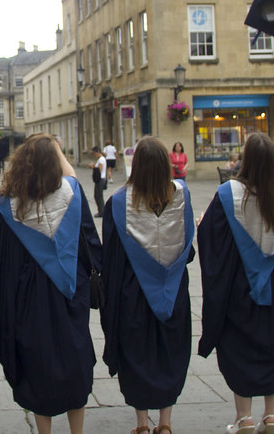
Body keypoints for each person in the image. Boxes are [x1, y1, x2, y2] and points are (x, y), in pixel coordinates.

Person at [0, 133, 101, 434]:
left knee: (37, 364)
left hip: (29, 299)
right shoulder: (73, 193)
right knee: (75, 359)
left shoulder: (6, 207)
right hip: (70, 293)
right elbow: (91, 242)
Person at [198, 133, 274, 434]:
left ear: (246, 158)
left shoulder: (230, 192)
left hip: (239, 285)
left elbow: (212, 240)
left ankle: (245, 417)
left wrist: (204, 226)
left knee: (238, 348)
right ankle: (271, 415)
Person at [101, 137, 194, 434]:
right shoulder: (183, 196)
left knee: (136, 354)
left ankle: (142, 424)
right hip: (174, 290)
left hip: (133, 295)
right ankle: (165, 424)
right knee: (170, 352)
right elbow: (188, 252)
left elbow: (111, 259)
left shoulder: (118, 203)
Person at [89, 145, 108, 218]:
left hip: (100, 179)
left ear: (98, 152)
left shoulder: (101, 160)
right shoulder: (100, 159)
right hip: (99, 179)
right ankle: (101, 211)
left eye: (94, 153)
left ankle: (102, 211)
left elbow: (99, 170)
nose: (94, 155)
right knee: (97, 196)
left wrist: (93, 167)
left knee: (99, 196)